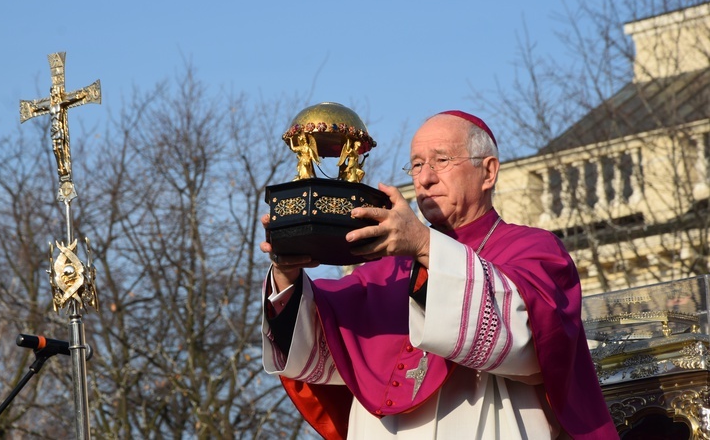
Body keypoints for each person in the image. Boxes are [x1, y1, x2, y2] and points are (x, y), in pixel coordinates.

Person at [259, 111, 617, 439]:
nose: (425, 178)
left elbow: (533, 342)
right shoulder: (385, 269)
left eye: (441, 160)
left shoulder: (533, 249)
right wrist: (286, 273)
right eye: (416, 165)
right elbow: (321, 345)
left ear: (488, 171)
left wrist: (425, 247)